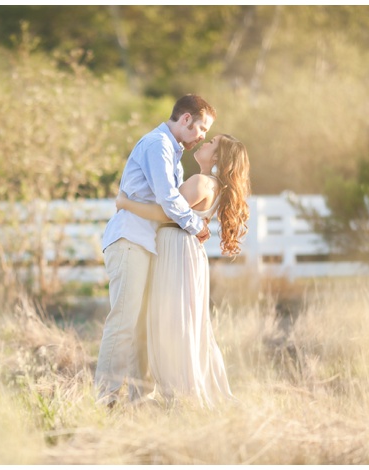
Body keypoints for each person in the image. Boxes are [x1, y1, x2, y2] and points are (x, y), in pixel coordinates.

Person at [95, 94, 215, 408]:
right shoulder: (157, 145)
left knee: (143, 325)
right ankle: (103, 400)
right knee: (124, 321)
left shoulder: (171, 153)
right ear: (186, 119)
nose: (202, 136)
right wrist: (195, 224)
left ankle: (139, 400)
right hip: (130, 241)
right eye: (201, 128)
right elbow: (168, 200)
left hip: (147, 245)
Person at [115, 133, 250, 408]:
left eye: (212, 143)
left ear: (217, 158)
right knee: (185, 320)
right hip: (184, 249)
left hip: (176, 248)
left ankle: (182, 390)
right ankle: (183, 387)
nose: (205, 143)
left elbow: (167, 213)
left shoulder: (201, 182)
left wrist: (125, 203)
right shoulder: (212, 184)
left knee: (173, 320)